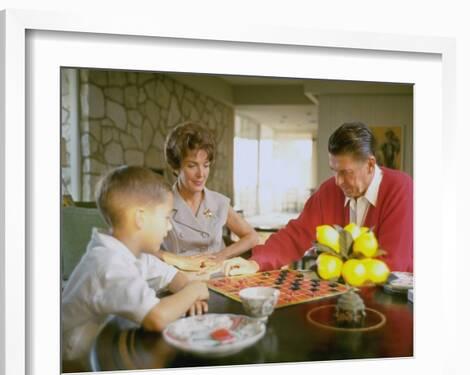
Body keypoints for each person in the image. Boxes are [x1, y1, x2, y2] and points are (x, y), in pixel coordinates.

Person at [224, 121, 413, 275]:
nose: (338, 181)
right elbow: (296, 235)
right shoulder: (330, 190)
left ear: (370, 165)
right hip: (345, 294)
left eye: (346, 172)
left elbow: (392, 263)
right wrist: (256, 263)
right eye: (334, 171)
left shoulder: (400, 188)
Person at [61, 166, 209, 362]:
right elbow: (156, 318)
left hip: (108, 342)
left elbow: (172, 276)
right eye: (165, 217)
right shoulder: (108, 263)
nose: (169, 226)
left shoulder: (133, 254)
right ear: (140, 218)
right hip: (74, 363)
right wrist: (195, 290)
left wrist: (187, 296)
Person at [160, 121, 259, 272]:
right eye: (192, 166)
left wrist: (222, 255)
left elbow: (251, 237)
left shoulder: (218, 202)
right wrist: (177, 260)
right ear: (175, 167)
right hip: (178, 279)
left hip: (217, 277)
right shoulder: (161, 203)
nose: (201, 174)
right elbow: (141, 249)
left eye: (205, 165)